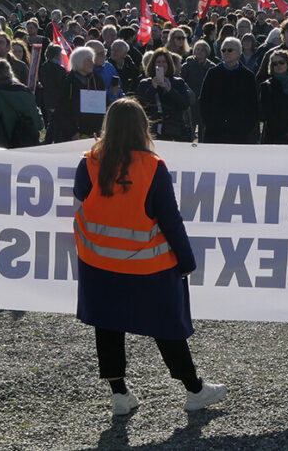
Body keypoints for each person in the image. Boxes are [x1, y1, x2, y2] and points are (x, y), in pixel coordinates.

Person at [73, 97, 226, 416]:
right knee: (166, 325)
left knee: (107, 324)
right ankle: (194, 390)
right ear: (143, 127)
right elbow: (170, 219)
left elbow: (81, 203)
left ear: (108, 126)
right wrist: (186, 261)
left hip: (99, 261)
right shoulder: (152, 167)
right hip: (147, 264)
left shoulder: (89, 162)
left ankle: (119, 395)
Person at [199, 37, 259, 144]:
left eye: (230, 50)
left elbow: (253, 104)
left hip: (240, 134)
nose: (226, 53)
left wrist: (245, 127)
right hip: (215, 132)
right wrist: (209, 123)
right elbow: (204, 100)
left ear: (239, 53)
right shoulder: (213, 73)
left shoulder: (248, 76)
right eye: (223, 50)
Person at [0, 59, 44, 148]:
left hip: (4, 146)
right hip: (28, 145)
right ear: (10, 73)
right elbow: (39, 124)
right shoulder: (27, 93)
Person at [49, 46, 107, 142]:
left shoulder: (97, 80)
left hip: (95, 134)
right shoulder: (68, 81)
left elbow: (105, 104)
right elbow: (61, 111)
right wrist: (72, 132)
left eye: (92, 59)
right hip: (71, 135)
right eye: (88, 60)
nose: (92, 63)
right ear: (78, 61)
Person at [135, 48, 193, 142]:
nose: (161, 65)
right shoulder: (145, 83)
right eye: (158, 62)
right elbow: (141, 105)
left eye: (164, 62)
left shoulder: (178, 83)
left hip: (174, 131)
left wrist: (170, 90)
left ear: (169, 64)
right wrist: (152, 88)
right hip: (153, 131)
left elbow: (184, 104)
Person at [180, 40, 215, 140]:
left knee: (203, 128)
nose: (199, 52)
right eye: (197, 49)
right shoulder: (187, 66)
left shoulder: (211, 67)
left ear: (207, 52)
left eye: (202, 50)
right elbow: (182, 82)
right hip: (191, 101)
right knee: (190, 127)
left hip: (204, 101)